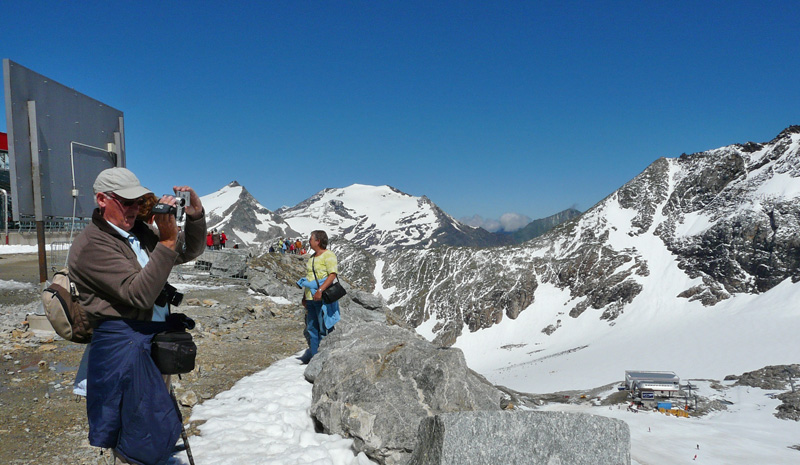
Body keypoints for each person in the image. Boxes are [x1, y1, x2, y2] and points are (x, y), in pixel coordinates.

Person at [68, 167, 206, 465]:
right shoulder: (92, 246)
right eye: (125, 202)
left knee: (153, 418)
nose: (133, 209)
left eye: (137, 202)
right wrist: (167, 242)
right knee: (135, 433)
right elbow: (139, 294)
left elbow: (187, 252)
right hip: (124, 353)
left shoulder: (137, 233)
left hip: (150, 345)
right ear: (101, 199)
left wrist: (195, 218)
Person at [298, 230, 340, 363]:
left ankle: (326, 359)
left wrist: (320, 290)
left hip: (322, 298)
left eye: (311, 239)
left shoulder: (329, 255)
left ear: (318, 241)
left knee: (324, 328)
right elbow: (310, 278)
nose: (309, 242)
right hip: (310, 298)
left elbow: (332, 275)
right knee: (312, 328)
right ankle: (316, 358)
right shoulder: (312, 257)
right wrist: (305, 297)